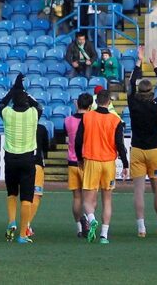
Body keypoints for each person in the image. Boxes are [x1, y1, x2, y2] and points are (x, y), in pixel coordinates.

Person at [76, 88, 129, 244]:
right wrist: (125, 163)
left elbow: (78, 141)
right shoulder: (116, 120)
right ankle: (104, 235)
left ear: (95, 102)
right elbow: (120, 144)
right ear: (110, 102)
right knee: (107, 200)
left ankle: (91, 218)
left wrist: (79, 158)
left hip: (92, 160)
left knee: (87, 199)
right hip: (108, 163)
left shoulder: (87, 117)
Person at [127, 54, 157, 238]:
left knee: (138, 190)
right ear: (151, 91)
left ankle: (141, 227)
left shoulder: (133, 104)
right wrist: (155, 66)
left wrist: (138, 63)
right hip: (154, 150)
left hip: (136, 149)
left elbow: (129, 84)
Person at [0, 74, 42, 245]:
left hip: (10, 159)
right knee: (26, 197)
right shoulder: (33, 114)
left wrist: (13, 90)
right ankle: (23, 234)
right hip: (27, 159)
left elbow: (1, 103)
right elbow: (38, 105)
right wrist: (24, 91)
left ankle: (11, 221)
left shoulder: (8, 114)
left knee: (11, 193)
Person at [65, 93, 92, 236]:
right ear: (90, 106)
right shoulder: (91, 120)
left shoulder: (68, 120)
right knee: (89, 196)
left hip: (72, 161)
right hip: (87, 160)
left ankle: (79, 227)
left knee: (76, 197)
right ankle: (88, 220)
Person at [27, 121, 50, 238]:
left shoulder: (21, 126)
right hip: (36, 165)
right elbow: (46, 147)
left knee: (24, 196)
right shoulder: (41, 128)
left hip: (20, 162)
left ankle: (17, 223)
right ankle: (26, 224)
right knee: (36, 195)